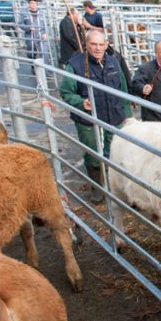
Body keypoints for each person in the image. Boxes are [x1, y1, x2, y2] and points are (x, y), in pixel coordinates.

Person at [59, 30, 131, 203]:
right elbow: (66, 91)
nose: (98, 48)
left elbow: (122, 89)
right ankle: (97, 186)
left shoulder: (113, 61)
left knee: (115, 152)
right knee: (93, 155)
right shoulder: (75, 65)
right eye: (93, 44)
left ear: (106, 45)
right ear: (87, 45)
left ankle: (115, 186)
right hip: (88, 120)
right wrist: (80, 102)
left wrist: (126, 114)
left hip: (113, 116)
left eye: (101, 44)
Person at [19, 0, 50, 65]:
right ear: (29, 4)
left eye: (35, 3)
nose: (33, 5)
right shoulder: (23, 12)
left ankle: (47, 70)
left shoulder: (42, 12)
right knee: (32, 52)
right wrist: (28, 27)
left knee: (44, 52)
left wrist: (45, 33)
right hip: (30, 35)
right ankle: (34, 67)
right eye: (31, 3)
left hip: (41, 34)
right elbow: (21, 24)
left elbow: (47, 24)